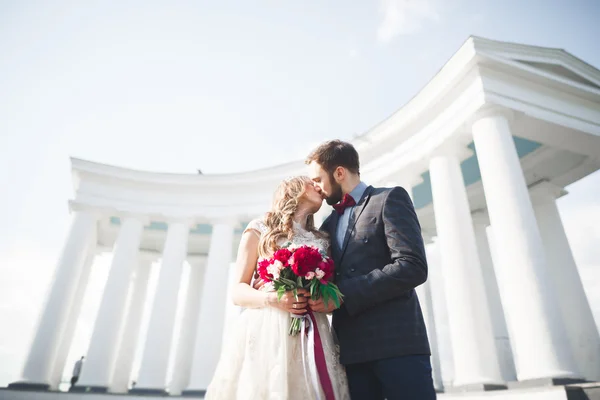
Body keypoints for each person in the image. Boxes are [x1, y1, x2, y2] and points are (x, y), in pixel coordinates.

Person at [306, 140, 436, 400]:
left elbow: (412, 266)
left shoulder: (389, 199)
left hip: (398, 346)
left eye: (318, 179)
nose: (316, 188)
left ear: (339, 172)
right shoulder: (329, 223)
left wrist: (342, 294)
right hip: (351, 353)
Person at [205, 176, 350, 400]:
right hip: (268, 328)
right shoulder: (259, 229)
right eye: (311, 183)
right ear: (294, 189)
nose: (319, 188)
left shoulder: (323, 239)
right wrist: (272, 299)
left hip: (312, 330)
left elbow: (333, 293)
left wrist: (326, 302)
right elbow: (238, 291)